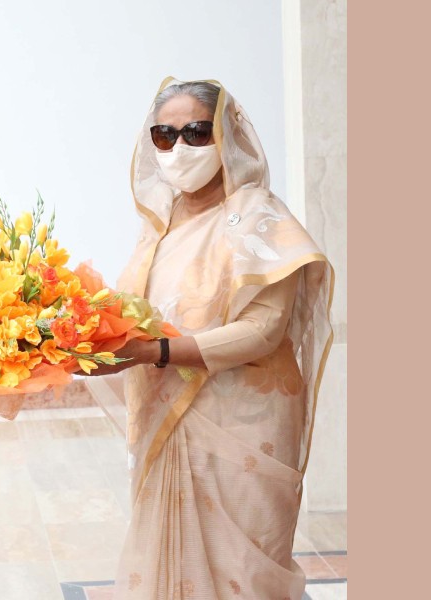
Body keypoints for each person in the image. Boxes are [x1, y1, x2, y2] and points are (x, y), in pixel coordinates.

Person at [89, 78, 334, 599]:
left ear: (226, 135)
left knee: (242, 570)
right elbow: (136, 310)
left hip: (243, 418)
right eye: (165, 135)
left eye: (197, 132)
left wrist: (153, 352)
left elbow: (262, 331)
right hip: (165, 408)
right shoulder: (158, 224)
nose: (180, 148)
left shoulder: (259, 217)